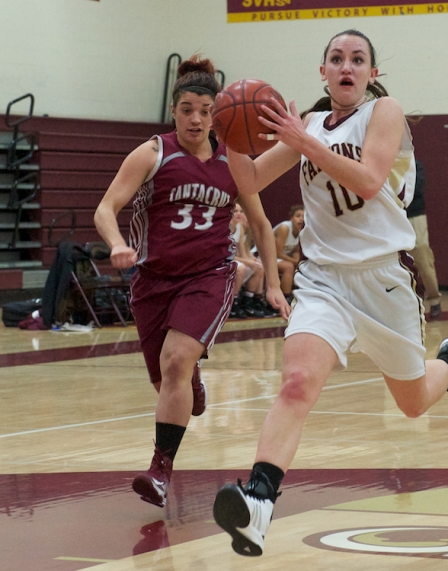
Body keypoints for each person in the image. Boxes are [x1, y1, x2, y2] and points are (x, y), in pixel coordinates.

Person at [212, 29, 448, 557]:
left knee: (412, 403)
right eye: (337, 58)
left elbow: (368, 180)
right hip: (323, 279)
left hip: (383, 278)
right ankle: (259, 501)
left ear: (371, 73)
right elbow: (248, 179)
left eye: (358, 59)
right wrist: (228, 131)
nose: (347, 66)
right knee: (297, 382)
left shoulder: (384, 112)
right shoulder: (307, 125)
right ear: (323, 72)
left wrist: (302, 141)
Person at [94, 55, 289, 509]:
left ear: (217, 114)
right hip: (153, 281)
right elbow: (106, 208)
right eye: (187, 110)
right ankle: (191, 381)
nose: (196, 119)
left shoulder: (234, 161)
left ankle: (160, 471)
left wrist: (273, 285)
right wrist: (117, 243)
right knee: (168, 379)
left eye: (205, 110)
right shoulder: (152, 153)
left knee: (177, 360)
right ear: (174, 111)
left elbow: (261, 225)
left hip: (209, 275)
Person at [407, 159, 443, 318]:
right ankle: (404, 304)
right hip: (393, 216)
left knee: (423, 259)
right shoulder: (384, 163)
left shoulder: (415, 165)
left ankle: (435, 300)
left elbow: (416, 188)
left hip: (414, 216)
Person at [229, 199, 274, 318]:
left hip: (233, 260)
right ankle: (233, 303)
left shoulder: (239, 228)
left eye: (241, 211)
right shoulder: (225, 228)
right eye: (235, 211)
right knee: (241, 268)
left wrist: (252, 262)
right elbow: (225, 255)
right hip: (221, 261)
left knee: (259, 267)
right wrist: (247, 262)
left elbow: (243, 253)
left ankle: (249, 301)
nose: (238, 214)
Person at [273, 204, 305, 303]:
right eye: (298, 216)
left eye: (303, 216)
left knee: (301, 267)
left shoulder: (301, 230)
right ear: (291, 218)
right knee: (289, 267)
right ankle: (286, 297)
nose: (301, 219)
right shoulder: (285, 228)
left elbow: (295, 250)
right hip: (264, 257)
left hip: (279, 259)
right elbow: (277, 253)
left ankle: (298, 294)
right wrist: (295, 261)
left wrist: (297, 262)